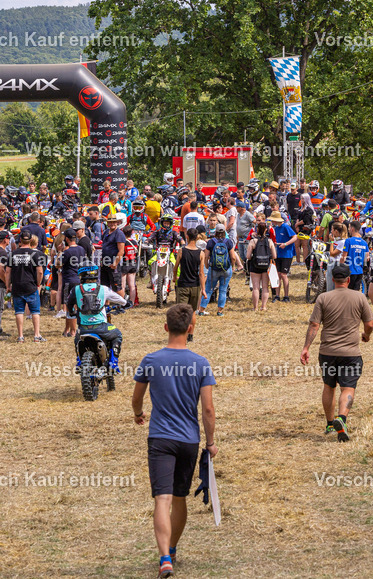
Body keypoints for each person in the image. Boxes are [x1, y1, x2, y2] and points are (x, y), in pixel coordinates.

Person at [132, 304, 217, 579]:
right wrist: (211, 442)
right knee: (180, 498)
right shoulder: (201, 363)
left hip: (160, 438)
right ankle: (173, 547)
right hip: (188, 440)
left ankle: (164, 558)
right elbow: (207, 409)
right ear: (191, 328)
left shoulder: (151, 360)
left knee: (162, 498)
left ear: (166, 327)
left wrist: (138, 413)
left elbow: (136, 399)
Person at [300, 262, 373, 442]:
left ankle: (330, 423)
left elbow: (314, 325)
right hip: (350, 353)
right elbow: (370, 324)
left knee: (329, 386)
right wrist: (366, 335)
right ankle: (342, 418)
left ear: (333, 279)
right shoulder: (359, 297)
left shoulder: (323, 298)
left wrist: (306, 347)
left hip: (327, 352)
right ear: (348, 279)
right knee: (348, 387)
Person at [66, 263, 126, 362]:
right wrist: (126, 303)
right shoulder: (103, 289)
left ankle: (79, 360)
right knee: (117, 334)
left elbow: (69, 304)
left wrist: (73, 313)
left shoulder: (75, 289)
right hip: (101, 327)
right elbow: (120, 300)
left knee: (77, 339)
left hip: (83, 328)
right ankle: (113, 361)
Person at [9, 233, 45, 343]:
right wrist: (38, 283)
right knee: (35, 311)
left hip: (17, 285)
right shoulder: (35, 254)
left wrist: (7, 285)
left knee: (19, 311)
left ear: (20, 240)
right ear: (30, 241)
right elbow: (40, 271)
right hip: (31, 285)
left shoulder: (13, 254)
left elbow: (7, 271)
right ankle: (36, 335)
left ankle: (20, 336)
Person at [201, 225, 241, 317]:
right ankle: (220, 311)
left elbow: (206, 256)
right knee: (223, 290)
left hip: (213, 269)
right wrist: (233, 266)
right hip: (226, 269)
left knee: (209, 289)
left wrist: (207, 265)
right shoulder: (228, 242)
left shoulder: (211, 242)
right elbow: (233, 257)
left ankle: (202, 309)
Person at [175, 227, 206, 317]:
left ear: (187, 236)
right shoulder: (201, 253)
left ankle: (182, 330)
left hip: (183, 284)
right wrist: (203, 289)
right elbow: (201, 273)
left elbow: (176, 267)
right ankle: (191, 331)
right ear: (197, 237)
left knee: (181, 311)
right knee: (192, 312)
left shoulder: (181, 251)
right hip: (195, 285)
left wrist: (174, 277)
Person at [246, 223, 275, 312]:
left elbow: (248, 256)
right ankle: (264, 306)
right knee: (265, 287)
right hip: (266, 266)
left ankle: (255, 307)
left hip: (255, 265)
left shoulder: (253, 241)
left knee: (255, 287)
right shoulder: (269, 241)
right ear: (266, 230)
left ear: (257, 230)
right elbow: (274, 255)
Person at [270, 211, 297, 302]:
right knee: (278, 275)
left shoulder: (285, 226)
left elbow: (295, 237)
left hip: (287, 254)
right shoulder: (276, 228)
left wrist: (285, 244)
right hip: (278, 254)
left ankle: (286, 296)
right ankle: (277, 295)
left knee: (283, 274)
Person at [341, 221, 370, 294]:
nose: (348, 230)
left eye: (349, 228)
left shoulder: (348, 241)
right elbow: (367, 258)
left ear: (352, 228)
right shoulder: (364, 242)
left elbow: (344, 257)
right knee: (355, 293)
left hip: (350, 271)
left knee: (348, 292)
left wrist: (339, 266)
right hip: (359, 271)